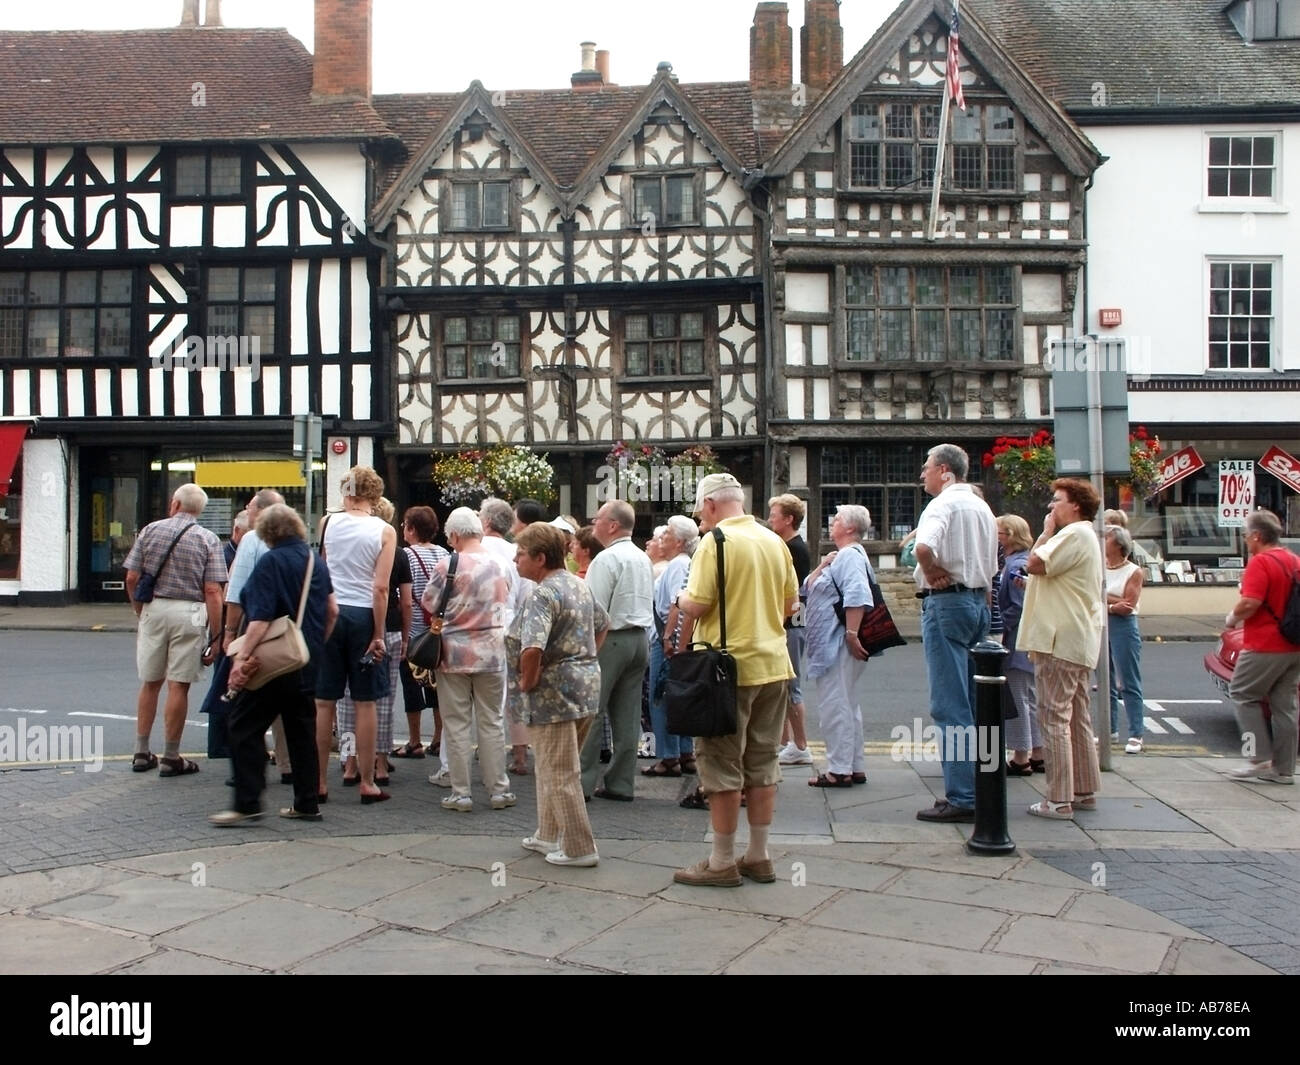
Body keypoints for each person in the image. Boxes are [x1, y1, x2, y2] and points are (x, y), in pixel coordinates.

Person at [673, 473, 798, 887]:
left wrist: (679, 598)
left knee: (721, 761)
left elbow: (699, 601)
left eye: (701, 512)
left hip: (725, 670)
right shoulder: (774, 541)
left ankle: (722, 860)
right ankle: (758, 856)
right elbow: (789, 605)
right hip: (774, 664)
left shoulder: (716, 542)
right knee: (763, 759)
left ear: (710, 505)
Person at [210, 505, 338, 825]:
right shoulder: (315, 562)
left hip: (272, 664)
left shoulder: (270, 562)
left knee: (242, 725)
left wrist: (241, 659)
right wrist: (314, 645)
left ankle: (248, 801)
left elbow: (261, 619)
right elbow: (333, 610)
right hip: (304, 660)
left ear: (267, 533)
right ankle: (307, 804)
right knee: (301, 730)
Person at [508, 522, 609, 866]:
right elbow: (603, 623)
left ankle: (580, 848)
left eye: (520, 553)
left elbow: (532, 646)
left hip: (553, 694)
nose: (515, 558)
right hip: (585, 687)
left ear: (539, 557)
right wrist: (585, 657)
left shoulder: (543, 593)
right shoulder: (577, 585)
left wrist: (527, 681)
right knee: (554, 765)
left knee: (560, 770)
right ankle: (547, 833)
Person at [911, 444, 998, 823]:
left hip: (946, 603)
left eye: (927, 468)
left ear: (945, 470)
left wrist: (929, 570)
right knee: (981, 706)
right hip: (977, 603)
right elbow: (992, 564)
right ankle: (986, 786)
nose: (922, 475)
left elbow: (923, 546)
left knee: (950, 706)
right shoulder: (982, 506)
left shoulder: (942, 505)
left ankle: (963, 797)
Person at [124, 483, 226, 777]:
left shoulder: (150, 531)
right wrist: (216, 636)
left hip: (154, 609)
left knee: (150, 681)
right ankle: (171, 756)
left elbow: (132, 577)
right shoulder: (208, 539)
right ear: (199, 510)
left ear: (174, 504)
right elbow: (213, 591)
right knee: (178, 685)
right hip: (190, 613)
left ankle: (141, 752)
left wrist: (139, 610)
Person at [1018, 478, 1105, 819]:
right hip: (1077, 638)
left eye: (1057, 501)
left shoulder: (1073, 534)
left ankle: (1057, 799)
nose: (1051, 507)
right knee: (1077, 717)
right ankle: (1082, 790)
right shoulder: (1085, 536)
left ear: (1076, 506)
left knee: (1053, 717)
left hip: (1059, 639)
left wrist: (1044, 533)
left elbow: (1035, 563)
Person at [423, 507, 514, 812]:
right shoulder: (502, 565)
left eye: (450, 538)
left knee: (457, 724)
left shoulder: (447, 565)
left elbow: (429, 602)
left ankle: (461, 793)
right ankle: (499, 790)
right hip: (492, 652)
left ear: (456, 535)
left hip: (454, 654)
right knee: (492, 721)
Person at [313, 466, 396, 805]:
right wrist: (378, 633)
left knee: (324, 702)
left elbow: (322, 569)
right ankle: (366, 781)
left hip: (331, 611)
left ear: (345, 492)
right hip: (364, 614)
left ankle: (318, 781)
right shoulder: (385, 531)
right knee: (365, 703)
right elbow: (381, 588)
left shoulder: (326, 523)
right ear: (375, 495)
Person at [580, 499, 654, 801]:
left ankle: (582, 782)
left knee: (592, 711)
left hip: (610, 638)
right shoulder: (641, 557)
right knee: (627, 714)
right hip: (639, 639)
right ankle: (621, 783)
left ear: (612, 525)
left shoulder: (606, 559)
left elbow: (593, 610)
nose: (593, 524)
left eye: (597, 519)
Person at [217, 489, 289, 773]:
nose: (246, 509)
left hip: (257, 625)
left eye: (249, 506)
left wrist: (230, 633)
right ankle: (287, 763)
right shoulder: (294, 541)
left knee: (249, 692)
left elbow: (236, 593)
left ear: (259, 511)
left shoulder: (251, 538)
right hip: (288, 627)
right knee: (285, 698)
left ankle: (249, 764)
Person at [802, 504, 873, 787]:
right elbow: (808, 587)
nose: (832, 523)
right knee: (846, 703)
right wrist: (822, 565)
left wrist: (852, 634)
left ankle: (839, 769)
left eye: (838, 519)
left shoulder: (849, 557)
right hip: (834, 641)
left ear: (851, 528)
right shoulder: (841, 557)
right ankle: (854, 765)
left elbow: (857, 594)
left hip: (838, 642)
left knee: (835, 705)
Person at [1227, 509, 1300, 785]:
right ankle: (1284, 770)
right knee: (1285, 706)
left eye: (1246, 535)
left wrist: (1232, 619)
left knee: (1242, 693)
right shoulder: (1294, 560)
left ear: (1257, 535)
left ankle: (1255, 757)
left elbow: (1250, 602)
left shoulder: (1260, 562)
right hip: (1293, 644)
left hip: (1264, 643)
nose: (1246, 540)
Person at [337, 497, 406, 785]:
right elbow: (406, 601)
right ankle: (379, 762)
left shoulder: (343, 541)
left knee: (345, 701)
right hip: (385, 627)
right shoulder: (397, 552)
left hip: (349, 619)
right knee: (383, 699)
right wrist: (405, 635)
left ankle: (350, 762)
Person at [642, 515, 699, 777]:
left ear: (677, 542)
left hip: (666, 642)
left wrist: (668, 638)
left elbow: (679, 602)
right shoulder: (684, 563)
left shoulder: (677, 565)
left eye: (666, 535)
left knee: (660, 697)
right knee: (679, 697)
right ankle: (685, 752)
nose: (660, 539)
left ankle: (668, 756)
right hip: (674, 639)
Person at [392, 506, 448, 760]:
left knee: (411, 686)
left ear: (412, 528)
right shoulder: (445, 554)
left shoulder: (406, 556)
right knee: (437, 686)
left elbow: (401, 595)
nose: (403, 529)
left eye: (405, 524)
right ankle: (438, 738)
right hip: (437, 631)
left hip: (414, 631)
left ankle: (414, 741)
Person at [769, 493, 813, 766]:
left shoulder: (794, 548)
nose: (771, 518)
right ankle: (785, 743)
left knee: (791, 685)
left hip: (792, 624)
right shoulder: (787, 545)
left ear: (788, 519)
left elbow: (791, 593)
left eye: (774, 514)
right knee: (783, 687)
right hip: (789, 623)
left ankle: (801, 746)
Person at [996, 514, 1042, 775]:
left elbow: (1018, 606)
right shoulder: (1018, 562)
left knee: (1017, 699)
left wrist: (999, 626)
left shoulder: (1016, 566)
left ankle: (1021, 757)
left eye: (999, 534)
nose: (996, 538)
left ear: (1011, 535)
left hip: (1016, 642)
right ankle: (1038, 752)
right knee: (1029, 698)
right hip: (1025, 641)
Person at [1105, 524, 1146, 754]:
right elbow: (1091, 592)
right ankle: (1109, 729)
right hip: (1102, 625)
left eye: (1106, 538)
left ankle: (1136, 733)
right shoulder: (1100, 568)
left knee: (1129, 680)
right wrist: (1113, 601)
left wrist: (1105, 602)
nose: (1102, 542)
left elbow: (1127, 607)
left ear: (1119, 545)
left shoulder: (1134, 571)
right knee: (1105, 680)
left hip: (1123, 626)